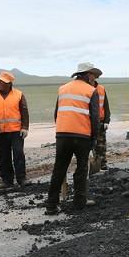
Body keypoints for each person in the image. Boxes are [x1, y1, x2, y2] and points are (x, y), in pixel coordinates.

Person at [45, 62, 101, 215]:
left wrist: (62, 129)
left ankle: (51, 205)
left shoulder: (63, 89)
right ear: (88, 75)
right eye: (93, 75)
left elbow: (57, 113)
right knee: (82, 168)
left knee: (59, 168)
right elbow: (95, 118)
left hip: (62, 134)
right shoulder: (91, 91)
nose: (94, 78)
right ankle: (79, 202)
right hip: (82, 135)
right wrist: (94, 138)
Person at [0, 71, 29, 190]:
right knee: (4, 156)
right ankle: (7, 180)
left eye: (2, 82)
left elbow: (24, 111)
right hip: (0, 132)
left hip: (16, 131)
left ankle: (22, 179)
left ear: (9, 84)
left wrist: (25, 127)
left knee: (18, 154)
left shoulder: (19, 94)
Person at [91, 75, 111, 170]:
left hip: (100, 122)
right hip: (88, 122)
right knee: (91, 145)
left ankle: (102, 164)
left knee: (101, 145)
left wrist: (107, 120)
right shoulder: (85, 89)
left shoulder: (101, 89)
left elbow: (106, 106)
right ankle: (93, 165)